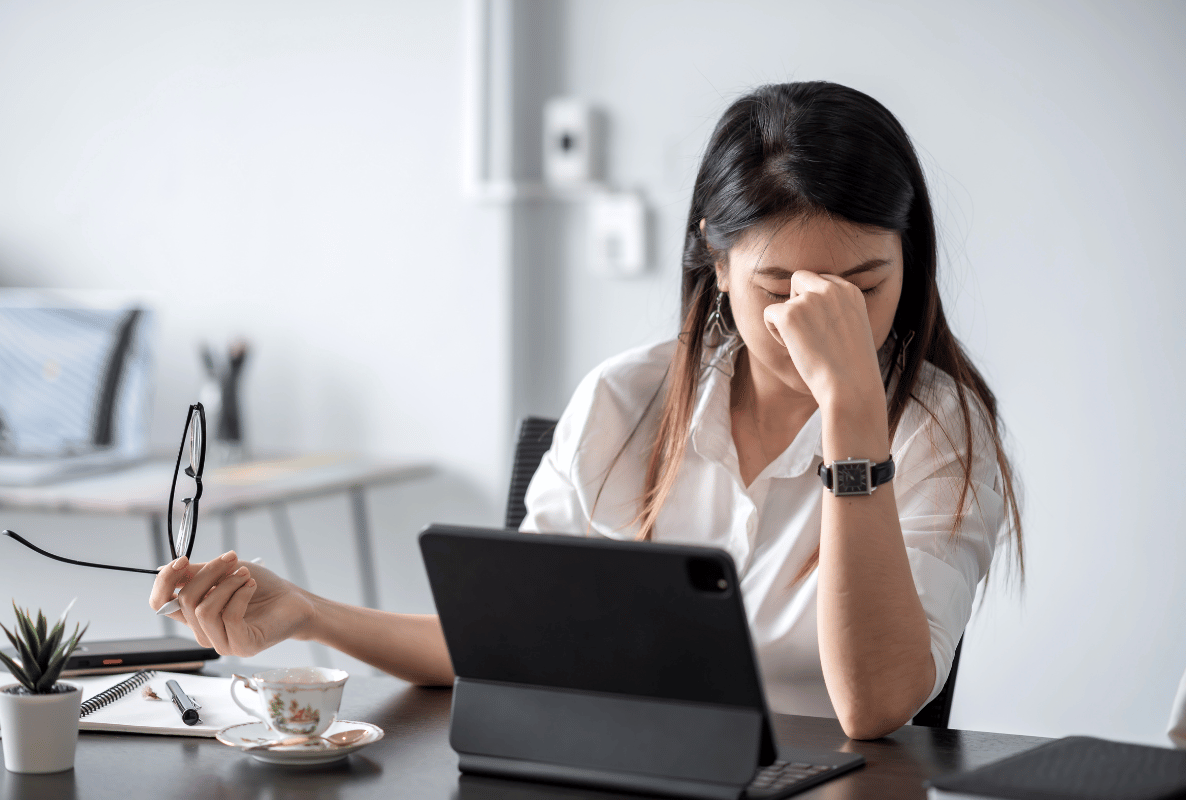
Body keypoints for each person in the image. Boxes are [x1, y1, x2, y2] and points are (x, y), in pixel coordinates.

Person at [150, 81, 1023, 740]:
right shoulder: (625, 398)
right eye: (780, 289)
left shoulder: (944, 434)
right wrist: (307, 612)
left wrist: (852, 416)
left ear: (911, 268)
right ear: (716, 265)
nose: (817, 322)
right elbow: (511, 644)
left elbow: (873, 708)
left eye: (862, 287)